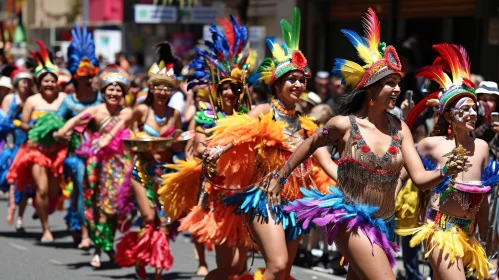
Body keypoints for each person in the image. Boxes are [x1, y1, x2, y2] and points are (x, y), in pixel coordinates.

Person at [272, 9, 465, 279]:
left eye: (398, 83)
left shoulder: (402, 129)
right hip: (349, 218)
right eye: (390, 83)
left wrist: (446, 171)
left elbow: (420, 178)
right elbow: (311, 143)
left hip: (381, 223)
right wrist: (280, 176)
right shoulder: (344, 124)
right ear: (371, 90)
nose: (397, 89)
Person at [202, 8, 337, 279]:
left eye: (301, 79)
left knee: (283, 271)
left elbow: (327, 165)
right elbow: (238, 134)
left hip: (296, 205)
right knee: (276, 264)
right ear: (277, 85)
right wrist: (218, 149)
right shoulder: (264, 110)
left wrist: (354, 182)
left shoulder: (308, 126)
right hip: (264, 199)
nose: (298, 84)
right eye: (292, 79)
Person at [159, 15, 254, 279]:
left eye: (235, 88)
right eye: (225, 88)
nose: (230, 94)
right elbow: (199, 146)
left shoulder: (249, 118)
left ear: (241, 91)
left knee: (241, 265)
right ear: (217, 90)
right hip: (219, 192)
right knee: (228, 267)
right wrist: (211, 150)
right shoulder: (207, 116)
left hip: (246, 193)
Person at [399, 44, 494, 280]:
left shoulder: (481, 147)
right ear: (450, 115)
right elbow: (401, 170)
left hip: (468, 233)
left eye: (475, 108)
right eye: (466, 109)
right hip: (440, 230)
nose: (473, 113)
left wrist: (486, 234)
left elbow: (483, 198)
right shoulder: (431, 144)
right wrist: (387, 209)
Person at [115, 42, 182, 280]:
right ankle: (141, 258)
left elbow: (178, 139)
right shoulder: (141, 112)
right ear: (152, 90)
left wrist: (181, 140)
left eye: (167, 89)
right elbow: (125, 132)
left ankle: (159, 267)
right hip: (141, 171)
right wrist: (137, 138)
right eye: (159, 88)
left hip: (166, 171)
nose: (163, 92)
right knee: (148, 217)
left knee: (164, 221)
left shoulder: (175, 114)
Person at [54, 66, 133, 267]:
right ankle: (99, 248)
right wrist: (61, 132)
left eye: (118, 90)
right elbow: (74, 120)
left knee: (114, 209)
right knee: (96, 207)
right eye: (110, 89)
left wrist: (107, 137)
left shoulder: (128, 111)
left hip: (119, 165)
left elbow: (120, 125)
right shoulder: (95, 110)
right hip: (97, 164)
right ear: (103, 91)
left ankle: (107, 245)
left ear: (123, 93)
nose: (114, 94)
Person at [7, 40, 67, 242]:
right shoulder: (32, 101)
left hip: (58, 151)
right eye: (45, 81)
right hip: (37, 150)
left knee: (52, 191)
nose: (49, 84)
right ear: (39, 83)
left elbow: (71, 122)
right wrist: (36, 127)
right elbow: (23, 124)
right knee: (41, 190)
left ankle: (42, 210)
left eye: (52, 81)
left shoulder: (63, 100)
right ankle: (46, 229)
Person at [54, 23, 102, 249]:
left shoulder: (102, 99)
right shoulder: (68, 100)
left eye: (89, 73)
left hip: (100, 153)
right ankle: (82, 229)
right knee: (81, 188)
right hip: (76, 154)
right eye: (82, 75)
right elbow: (53, 124)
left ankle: (90, 227)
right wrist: (59, 134)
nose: (86, 79)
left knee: (96, 192)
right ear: (75, 75)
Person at [1, 68, 34, 230]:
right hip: (12, 145)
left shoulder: (33, 99)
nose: (26, 85)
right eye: (23, 81)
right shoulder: (9, 99)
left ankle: (20, 217)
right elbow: (4, 123)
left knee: (26, 184)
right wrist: (16, 118)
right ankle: (12, 209)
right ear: (16, 83)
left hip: (28, 146)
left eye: (28, 82)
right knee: (13, 181)